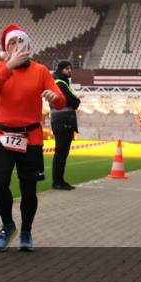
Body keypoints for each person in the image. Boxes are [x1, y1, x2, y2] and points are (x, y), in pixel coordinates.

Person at [0, 24, 66, 252]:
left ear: (29, 46)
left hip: (30, 137)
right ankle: (7, 225)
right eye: (11, 43)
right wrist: (9, 66)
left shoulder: (40, 71)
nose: (16, 46)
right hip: (1, 135)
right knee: (0, 182)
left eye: (20, 42)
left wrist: (54, 97)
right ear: (5, 48)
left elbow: (60, 100)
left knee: (28, 189)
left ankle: (27, 230)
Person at [50, 60, 82, 190]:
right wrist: (76, 100)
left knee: (62, 153)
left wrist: (75, 100)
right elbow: (72, 101)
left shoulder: (62, 82)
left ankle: (59, 180)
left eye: (70, 68)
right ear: (61, 69)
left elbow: (73, 101)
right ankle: (57, 181)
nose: (69, 71)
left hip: (63, 122)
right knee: (61, 153)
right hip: (62, 122)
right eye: (67, 68)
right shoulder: (59, 82)